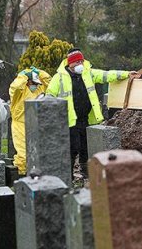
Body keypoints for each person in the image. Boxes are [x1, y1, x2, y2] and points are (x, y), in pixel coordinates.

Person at [46, 48, 135, 179]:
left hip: (86, 118)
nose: (79, 64)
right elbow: (50, 96)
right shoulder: (59, 77)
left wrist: (126, 74)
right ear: (69, 63)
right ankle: (68, 175)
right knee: (72, 148)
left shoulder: (89, 73)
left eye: (81, 61)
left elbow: (106, 75)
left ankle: (85, 171)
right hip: (69, 120)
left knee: (85, 147)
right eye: (76, 62)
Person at [8, 66, 51, 175]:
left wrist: (40, 72)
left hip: (36, 124)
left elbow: (50, 83)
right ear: (28, 81)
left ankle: (35, 175)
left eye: (37, 83)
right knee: (23, 154)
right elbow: (15, 87)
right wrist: (23, 75)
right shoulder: (19, 92)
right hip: (20, 124)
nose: (35, 86)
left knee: (39, 152)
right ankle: (21, 176)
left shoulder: (40, 88)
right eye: (33, 83)